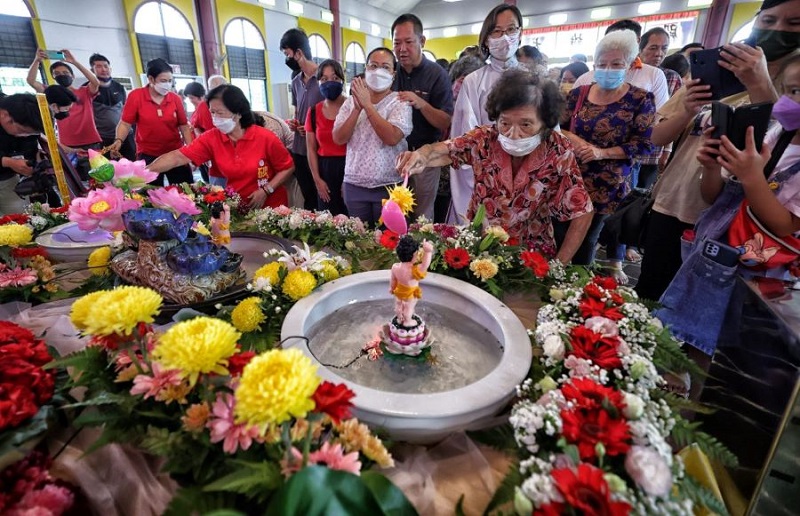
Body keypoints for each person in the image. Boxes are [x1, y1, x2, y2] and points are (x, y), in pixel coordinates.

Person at [636, 0, 800, 302]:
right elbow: (656, 136)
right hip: (675, 202)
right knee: (651, 296)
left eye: (793, 24)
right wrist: (687, 110)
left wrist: (760, 82)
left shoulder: (793, 79)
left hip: (733, 222)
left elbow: (783, 137)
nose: (777, 30)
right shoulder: (718, 69)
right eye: (769, 20)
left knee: (699, 310)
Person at [398, 69, 594, 263]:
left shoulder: (557, 149)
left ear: (545, 123)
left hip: (531, 254)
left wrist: (559, 264)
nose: (513, 134)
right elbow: (445, 151)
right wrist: (421, 155)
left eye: (526, 125)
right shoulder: (485, 138)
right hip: (480, 246)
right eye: (505, 123)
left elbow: (582, 212)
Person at [561, 30, 656, 273]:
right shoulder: (578, 94)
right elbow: (555, 128)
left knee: (587, 238)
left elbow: (645, 144)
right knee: (559, 232)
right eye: (602, 64)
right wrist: (576, 140)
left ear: (629, 65)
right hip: (569, 177)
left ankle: (576, 284)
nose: (608, 69)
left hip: (608, 184)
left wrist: (601, 153)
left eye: (616, 64)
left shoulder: (640, 99)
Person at [148, 84, 295, 210]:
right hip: (238, 207)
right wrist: (143, 171)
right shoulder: (212, 138)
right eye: (212, 112)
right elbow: (178, 157)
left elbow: (287, 167)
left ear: (238, 113)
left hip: (271, 207)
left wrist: (266, 190)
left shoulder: (265, 137)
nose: (215, 118)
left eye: (220, 113)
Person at [450, 3, 524, 224]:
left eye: (511, 30)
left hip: (527, 176)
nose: (504, 37)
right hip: (487, 175)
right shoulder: (474, 81)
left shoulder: (535, 80)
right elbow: (465, 138)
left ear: (520, 33)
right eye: (497, 31)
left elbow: (550, 136)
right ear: (486, 38)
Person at [332, 47, 412, 226]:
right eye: (373, 66)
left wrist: (368, 106)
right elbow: (338, 138)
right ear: (366, 69)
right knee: (359, 241)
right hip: (355, 184)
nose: (378, 71)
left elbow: (391, 138)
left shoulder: (400, 102)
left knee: (390, 241)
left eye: (385, 67)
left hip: (390, 185)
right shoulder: (351, 102)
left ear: (393, 73)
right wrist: (357, 108)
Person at [391, 13, 454, 221]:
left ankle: (422, 253)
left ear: (422, 41)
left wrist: (421, 103)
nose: (402, 49)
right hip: (394, 154)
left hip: (425, 155)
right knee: (394, 211)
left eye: (408, 42)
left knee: (422, 214)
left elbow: (445, 121)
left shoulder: (437, 75)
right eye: (397, 43)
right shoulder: (391, 73)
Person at [110, 58, 193, 186]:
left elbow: (184, 126)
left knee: (185, 190)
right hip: (148, 154)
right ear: (151, 79)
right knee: (151, 192)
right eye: (163, 81)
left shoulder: (175, 99)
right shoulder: (136, 96)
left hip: (175, 153)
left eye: (170, 81)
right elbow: (125, 123)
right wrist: (118, 140)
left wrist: (191, 150)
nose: (167, 85)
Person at [27, 49, 101, 179]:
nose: (62, 75)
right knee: (75, 180)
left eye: (65, 73)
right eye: (57, 74)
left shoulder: (84, 92)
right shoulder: (49, 92)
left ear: (72, 76)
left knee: (98, 178)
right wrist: (37, 60)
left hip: (91, 141)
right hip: (67, 145)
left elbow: (95, 82)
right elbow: (31, 81)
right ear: (53, 77)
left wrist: (74, 62)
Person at [572, 20, 669, 109]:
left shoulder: (654, 76)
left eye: (616, 64)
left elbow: (658, 117)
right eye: (609, 42)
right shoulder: (584, 80)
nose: (614, 47)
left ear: (637, 41)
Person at [280, 28, 322, 210]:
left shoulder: (324, 77)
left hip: (319, 148)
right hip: (299, 148)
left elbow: (335, 114)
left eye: (287, 54)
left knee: (323, 195)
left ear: (299, 52)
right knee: (308, 196)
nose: (287, 59)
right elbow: (298, 112)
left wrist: (314, 128)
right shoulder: (296, 81)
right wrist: (296, 123)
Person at [637, 27, 683, 189]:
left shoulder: (672, 78)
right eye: (653, 48)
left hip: (652, 151)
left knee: (639, 196)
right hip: (626, 149)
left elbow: (673, 116)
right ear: (640, 49)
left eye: (664, 48)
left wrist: (667, 150)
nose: (659, 53)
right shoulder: (629, 72)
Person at [306, 59, 348, 215]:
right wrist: (317, 179)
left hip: (350, 168)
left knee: (352, 220)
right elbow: (311, 148)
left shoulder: (353, 108)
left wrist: (349, 181)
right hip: (324, 170)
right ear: (318, 82)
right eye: (324, 79)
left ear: (342, 81)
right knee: (327, 221)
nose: (329, 82)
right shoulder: (314, 111)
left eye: (335, 78)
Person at [0, 94, 43, 215]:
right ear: (5, 116)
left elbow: (30, 148)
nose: (23, 135)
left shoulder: (23, 114)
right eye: (21, 131)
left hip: (7, 179)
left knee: (20, 219)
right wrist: (8, 162)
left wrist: (32, 165)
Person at [88, 53, 135, 161]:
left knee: (132, 165)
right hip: (103, 139)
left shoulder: (119, 87)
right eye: (99, 67)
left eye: (106, 66)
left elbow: (126, 110)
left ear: (110, 68)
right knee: (110, 170)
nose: (104, 69)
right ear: (92, 70)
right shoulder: (88, 89)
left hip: (126, 137)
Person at [390, 236, 434, 327]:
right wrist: (428, 252)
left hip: (399, 291)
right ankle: (407, 321)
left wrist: (392, 288)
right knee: (409, 307)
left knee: (399, 304)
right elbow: (425, 265)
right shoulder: (414, 270)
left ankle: (399, 318)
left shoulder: (395, 267)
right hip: (410, 294)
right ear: (414, 254)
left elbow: (393, 280)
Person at [183, 81, 213, 183]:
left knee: (210, 181)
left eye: (192, 97)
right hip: (199, 148)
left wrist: (206, 152)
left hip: (204, 149)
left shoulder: (203, 106)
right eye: (189, 98)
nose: (190, 100)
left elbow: (208, 131)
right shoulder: (198, 108)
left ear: (199, 95)